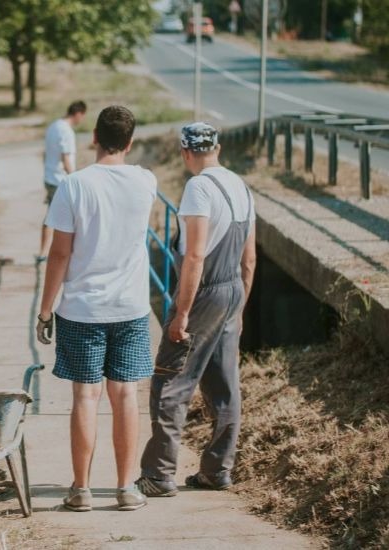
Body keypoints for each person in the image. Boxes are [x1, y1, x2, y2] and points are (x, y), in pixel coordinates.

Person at [37, 105, 157, 512]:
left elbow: (59, 254)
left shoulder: (73, 185)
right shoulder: (146, 181)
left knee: (85, 398)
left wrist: (44, 310)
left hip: (82, 309)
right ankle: (125, 488)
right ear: (130, 141)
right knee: (125, 397)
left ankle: (82, 489)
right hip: (130, 306)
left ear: (93, 136)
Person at [137, 122, 257, 497]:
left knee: (170, 381)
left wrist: (182, 313)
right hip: (233, 291)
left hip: (203, 292)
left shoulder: (198, 187)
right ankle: (217, 470)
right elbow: (249, 259)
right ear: (217, 147)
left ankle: (159, 475)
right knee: (224, 386)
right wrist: (238, 311)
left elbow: (195, 255)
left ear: (185, 152)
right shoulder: (241, 185)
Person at [38, 100, 87, 262]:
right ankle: (49, 253)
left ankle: (44, 251)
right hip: (60, 179)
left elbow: (46, 153)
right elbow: (66, 158)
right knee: (62, 219)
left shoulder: (53, 126)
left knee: (53, 216)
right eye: (83, 117)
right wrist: (75, 179)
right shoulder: (66, 132)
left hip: (50, 176)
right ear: (78, 114)